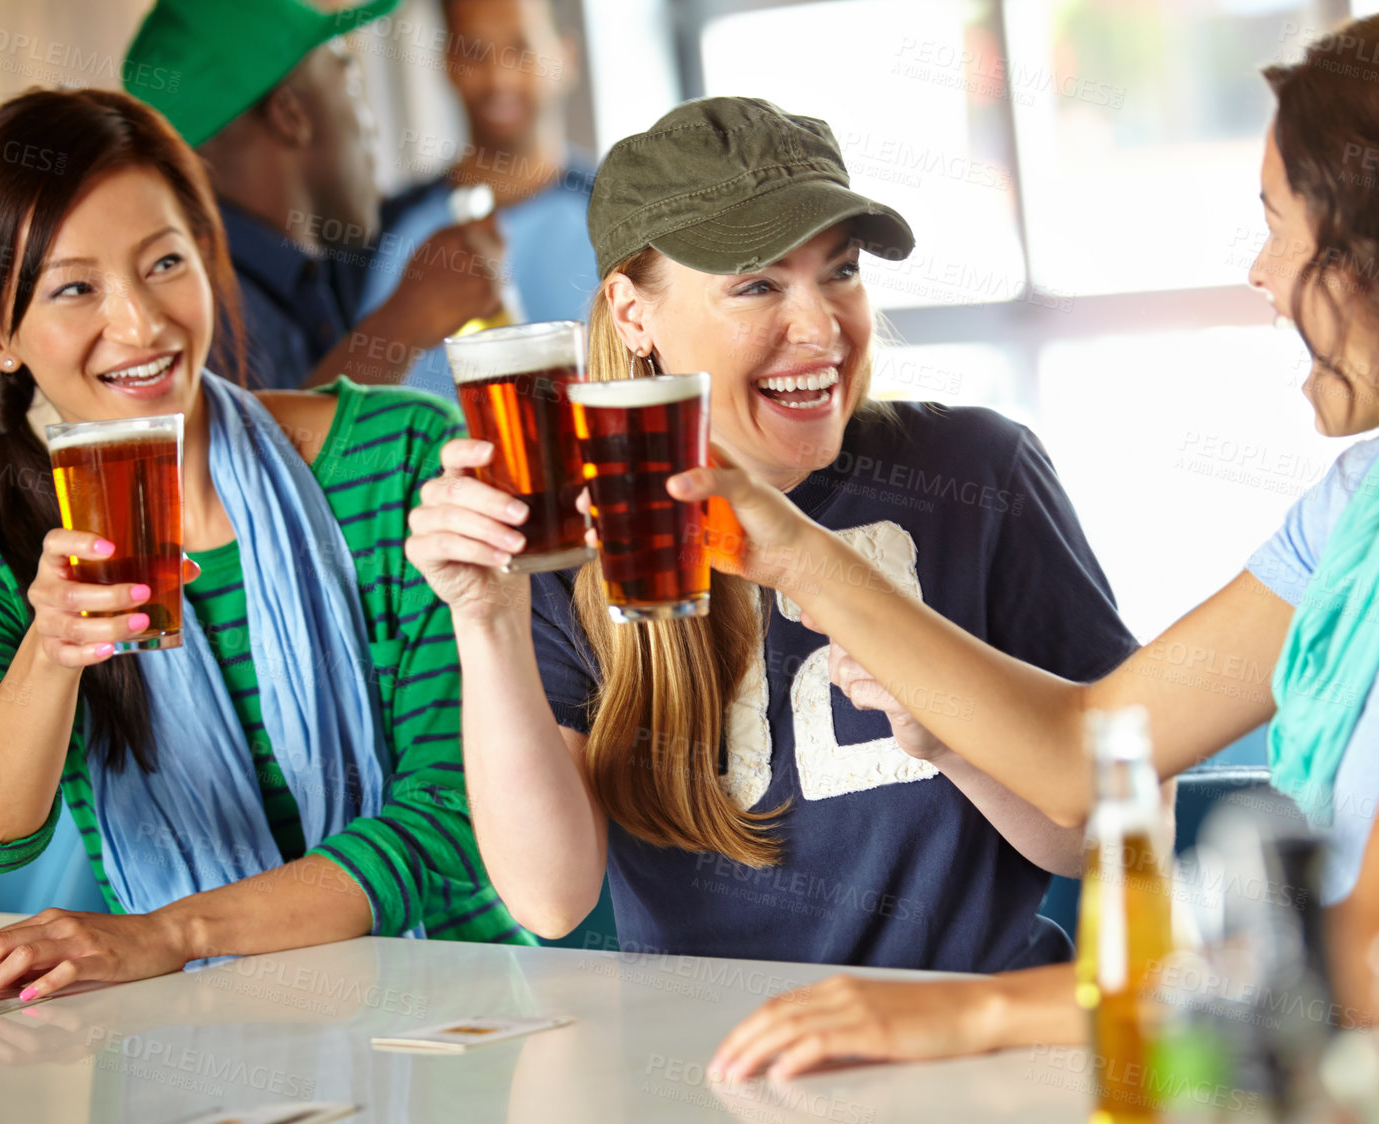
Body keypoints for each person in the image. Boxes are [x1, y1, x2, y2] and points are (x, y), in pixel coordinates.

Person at [689, 2, 1379, 1080]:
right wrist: (783, 545)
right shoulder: (1375, 492)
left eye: (1279, 222)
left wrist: (980, 1013)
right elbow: (1087, 749)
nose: (1261, 271)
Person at [406, 97, 1137, 973]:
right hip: (724, 1072)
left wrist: (954, 739)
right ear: (633, 315)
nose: (824, 328)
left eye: (841, 271)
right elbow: (550, 898)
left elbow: (1109, 838)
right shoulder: (575, 530)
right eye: (757, 283)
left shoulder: (977, 471)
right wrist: (483, 618)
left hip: (973, 1044)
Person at [0, 88, 527, 1009]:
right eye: (75, 287)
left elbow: (451, 816)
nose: (141, 325)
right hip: (194, 1050)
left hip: (458, 1021)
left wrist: (173, 935)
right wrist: (50, 655)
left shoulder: (398, 457)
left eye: (164, 262)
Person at [123, 0, 507, 392]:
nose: (371, 128)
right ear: (291, 116)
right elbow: (251, 448)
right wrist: (401, 326)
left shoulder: (315, 266)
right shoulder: (200, 309)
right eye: (352, 84)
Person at [360, 0, 598, 401]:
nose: (499, 78)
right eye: (474, 52)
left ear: (566, 57)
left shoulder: (622, 215)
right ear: (448, 64)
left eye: (520, 49)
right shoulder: (386, 229)